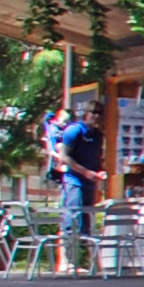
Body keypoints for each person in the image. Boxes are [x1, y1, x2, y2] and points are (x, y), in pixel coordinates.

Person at [49, 93, 108, 272]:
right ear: (86, 114)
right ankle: (66, 262)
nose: (96, 116)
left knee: (86, 223)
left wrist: (99, 171)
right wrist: (85, 172)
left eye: (99, 113)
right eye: (93, 112)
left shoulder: (98, 135)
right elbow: (64, 157)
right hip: (74, 181)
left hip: (89, 183)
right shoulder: (74, 131)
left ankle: (90, 263)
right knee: (71, 220)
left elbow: (97, 157)